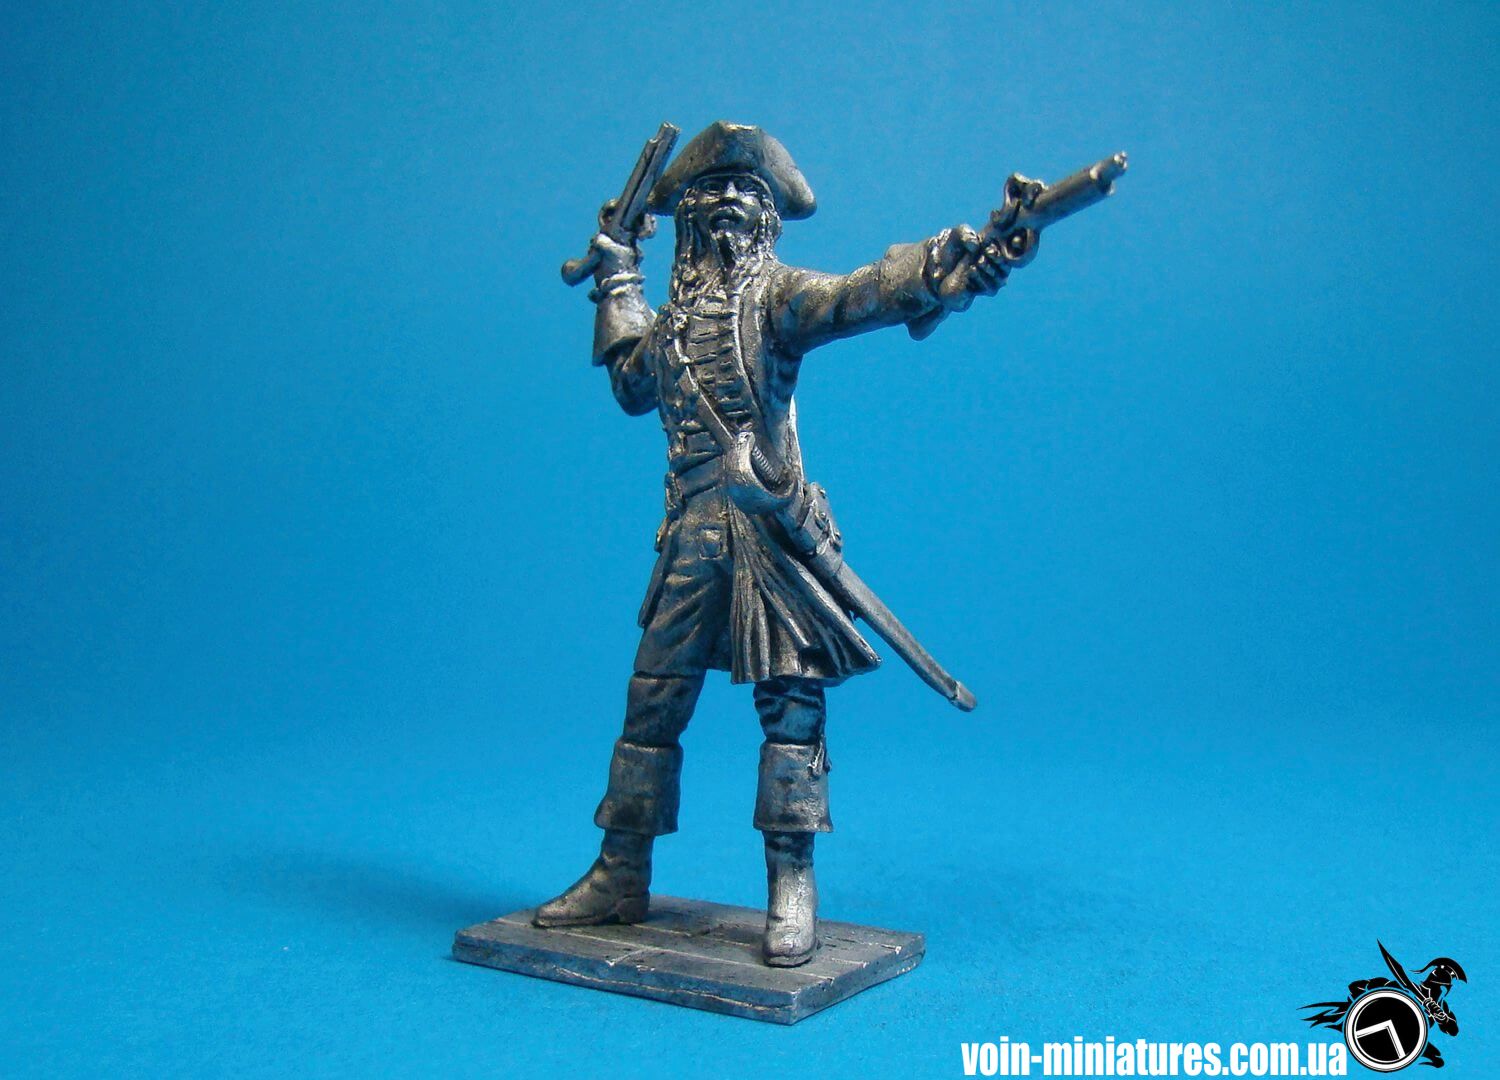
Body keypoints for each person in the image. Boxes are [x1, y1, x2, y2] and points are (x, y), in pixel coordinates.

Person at [534, 121, 1011, 966]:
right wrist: (618, 273)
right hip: (692, 534)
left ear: (766, 217)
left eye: (743, 194)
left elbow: (856, 295)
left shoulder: (778, 297)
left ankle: (792, 882)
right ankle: (621, 871)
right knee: (651, 705)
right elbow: (633, 384)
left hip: (769, 534)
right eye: (709, 195)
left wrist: (940, 268)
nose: (726, 206)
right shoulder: (675, 321)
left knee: (791, 710)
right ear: (685, 217)